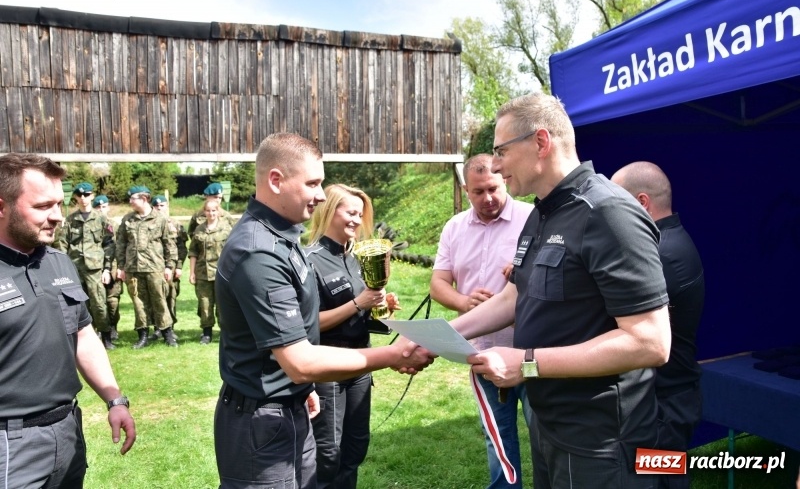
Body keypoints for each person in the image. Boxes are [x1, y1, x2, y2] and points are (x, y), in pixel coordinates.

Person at [450, 93, 671, 489]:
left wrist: (527, 363)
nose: (495, 165)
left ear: (540, 141)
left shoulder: (607, 212)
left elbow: (651, 342)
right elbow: (515, 297)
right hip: (551, 425)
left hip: (601, 441)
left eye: (501, 150)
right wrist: (443, 336)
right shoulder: (542, 211)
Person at [214, 132, 434, 489]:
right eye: (313, 183)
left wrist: (301, 390)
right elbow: (300, 362)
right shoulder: (260, 252)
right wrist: (394, 353)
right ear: (276, 180)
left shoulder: (284, 238)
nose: (320, 194)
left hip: (291, 404)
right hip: (262, 420)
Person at [0, 153, 136, 487]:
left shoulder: (59, 262)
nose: (58, 216)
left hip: (68, 430)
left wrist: (114, 399)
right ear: (1, 207)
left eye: (60, 204)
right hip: (10, 442)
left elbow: (84, 336)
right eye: (43, 206)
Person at [430, 154, 533, 488]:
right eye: (478, 192)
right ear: (466, 189)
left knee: (547, 432)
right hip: (483, 351)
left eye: (493, 188)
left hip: (533, 349)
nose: (487, 198)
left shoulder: (532, 218)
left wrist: (523, 275)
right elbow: (437, 285)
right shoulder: (454, 228)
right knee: (498, 435)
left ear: (504, 180)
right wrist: (464, 301)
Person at [611, 161, 705, 489]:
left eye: (617, 202)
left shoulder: (663, 253)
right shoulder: (665, 242)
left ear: (641, 203)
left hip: (665, 402)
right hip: (664, 398)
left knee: (661, 481)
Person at [304, 184, 401, 489]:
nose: (357, 220)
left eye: (360, 214)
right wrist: (358, 303)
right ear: (329, 210)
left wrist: (382, 308)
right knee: (328, 454)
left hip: (361, 365)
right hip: (328, 368)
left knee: (356, 447)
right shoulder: (310, 260)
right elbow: (309, 324)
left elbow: (363, 312)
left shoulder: (359, 256)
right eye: (351, 212)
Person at [55, 182, 116, 349]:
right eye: (80, 195)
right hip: (74, 268)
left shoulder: (101, 219)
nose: (83, 198)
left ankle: (106, 337)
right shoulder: (70, 220)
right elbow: (62, 244)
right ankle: (85, 338)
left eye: (87, 195)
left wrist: (107, 269)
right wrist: (63, 267)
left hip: (95, 268)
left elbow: (109, 245)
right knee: (79, 305)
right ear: (75, 197)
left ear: (92, 196)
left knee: (99, 303)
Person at [116, 185, 178, 348]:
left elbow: (169, 244)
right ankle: (142, 335)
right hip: (133, 268)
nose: (130, 201)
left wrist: (169, 266)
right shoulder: (127, 219)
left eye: (133, 198)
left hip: (155, 267)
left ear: (144, 199)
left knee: (160, 300)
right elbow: (121, 244)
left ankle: (167, 333)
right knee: (138, 302)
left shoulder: (160, 219)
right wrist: (120, 266)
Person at [188, 198, 232, 344]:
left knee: (223, 304)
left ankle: (225, 332)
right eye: (208, 210)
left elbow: (233, 251)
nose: (211, 213)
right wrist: (192, 272)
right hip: (203, 272)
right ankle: (207, 333)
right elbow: (193, 251)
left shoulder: (227, 228)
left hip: (222, 273)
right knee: (205, 303)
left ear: (218, 211)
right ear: (204, 212)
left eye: (214, 210)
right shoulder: (199, 229)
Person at [151, 194, 189, 340]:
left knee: (171, 296)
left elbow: (182, 248)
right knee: (156, 297)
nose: (159, 208)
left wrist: (178, 266)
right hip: (154, 266)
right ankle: (157, 328)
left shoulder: (177, 224)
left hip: (171, 267)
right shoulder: (151, 224)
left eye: (162, 206)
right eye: (156, 206)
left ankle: (170, 328)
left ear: (167, 206)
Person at [93, 194, 123, 341]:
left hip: (112, 267)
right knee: (96, 300)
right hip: (94, 268)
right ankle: (98, 328)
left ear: (108, 207)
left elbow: (120, 247)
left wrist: (119, 267)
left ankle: (113, 327)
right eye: (98, 207)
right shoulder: (91, 224)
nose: (101, 210)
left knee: (112, 301)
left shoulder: (115, 226)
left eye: (103, 207)